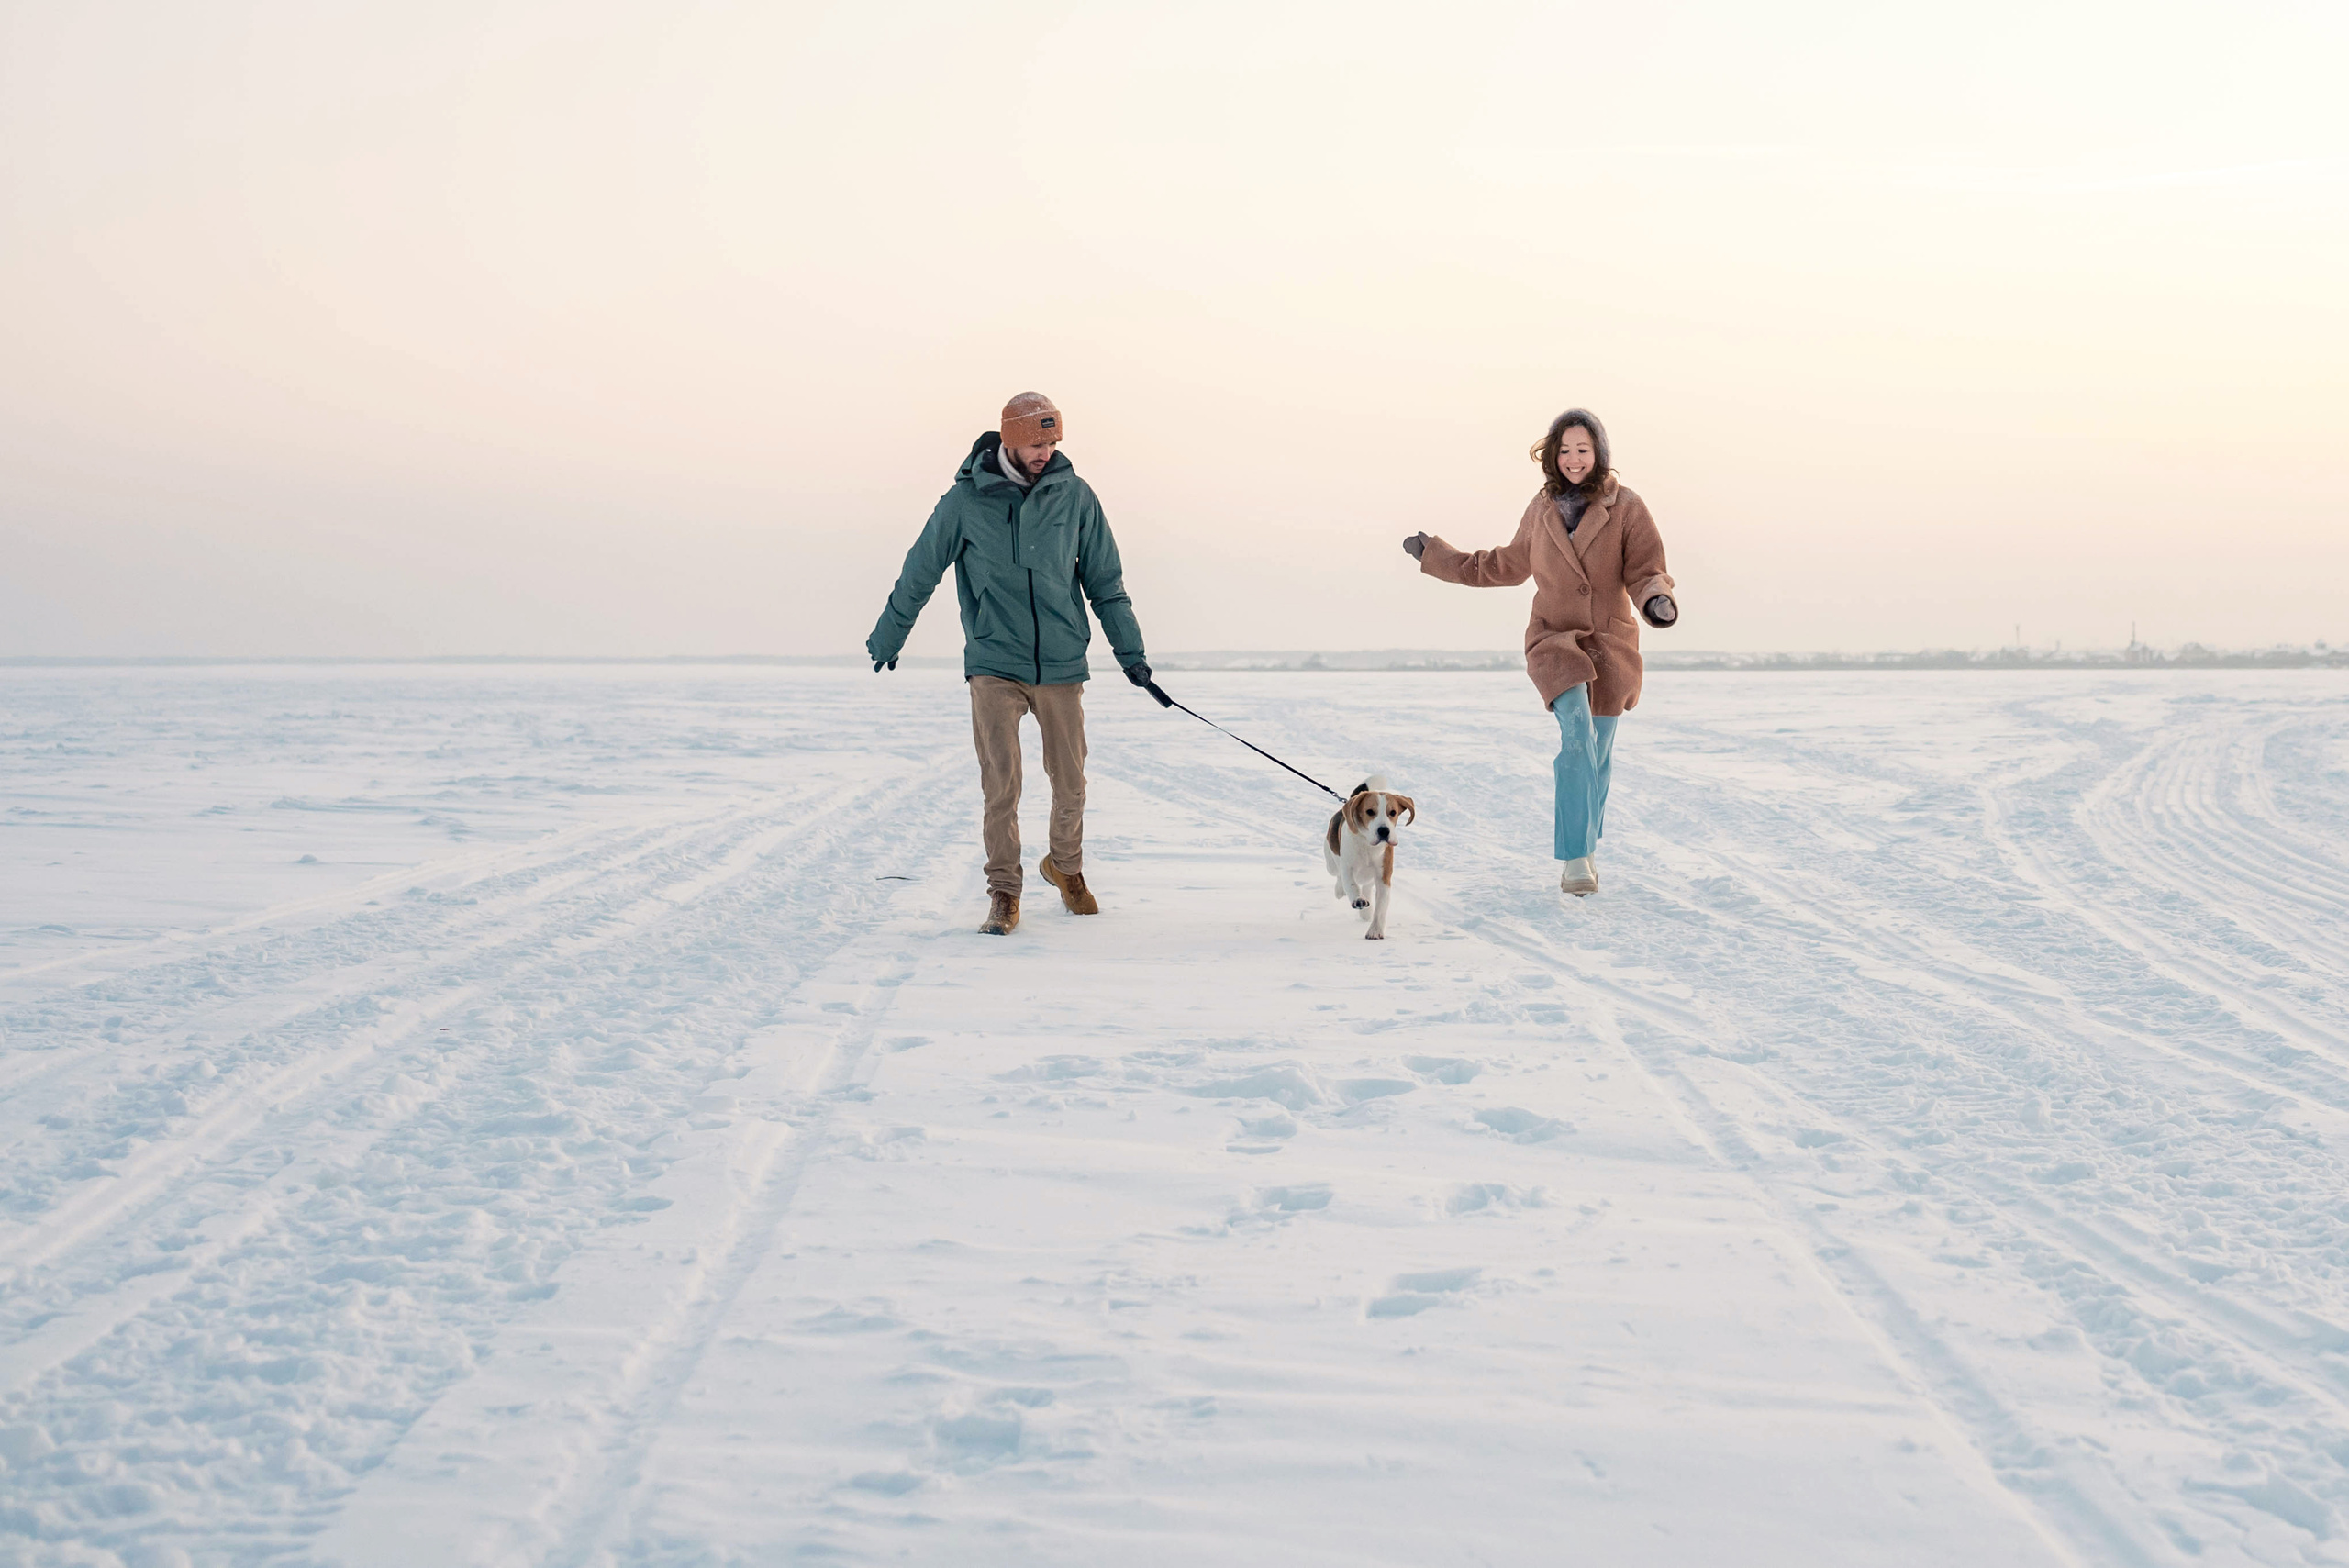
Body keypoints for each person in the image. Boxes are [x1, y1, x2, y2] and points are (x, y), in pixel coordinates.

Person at [867, 393, 1153, 935]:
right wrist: (890, 635)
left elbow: (1106, 584)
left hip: (1062, 662)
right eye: (1035, 442)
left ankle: (1066, 869)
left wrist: (1131, 655)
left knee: (1070, 784)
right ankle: (1004, 891)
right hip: (995, 661)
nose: (1046, 451)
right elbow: (919, 571)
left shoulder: (1077, 498)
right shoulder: (964, 502)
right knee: (1003, 787)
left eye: (1052, 441)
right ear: (1010, 440)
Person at [1402, 409, 1677, 897]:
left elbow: (1644, 567)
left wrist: (1656, 599)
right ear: (1553, 455)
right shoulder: (1542, 507)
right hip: (1554, 640)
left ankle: (1587, 844)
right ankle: (1575, 860)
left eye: (1583, 450)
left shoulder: (1628, 507)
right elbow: (1505, 564)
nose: (1573, 459)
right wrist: (1436, 556)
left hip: (1609, 642)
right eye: (1565, 450)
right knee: (1577, 735)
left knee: (1600, 751)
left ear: (1599, 455)